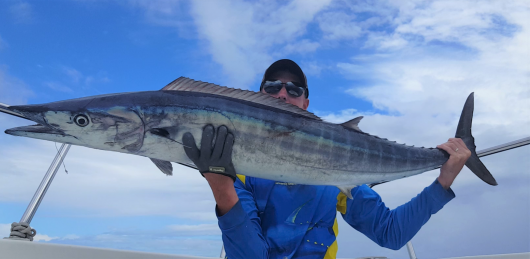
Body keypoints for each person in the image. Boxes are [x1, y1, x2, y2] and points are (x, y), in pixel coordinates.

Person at [181, 59, 471, 259]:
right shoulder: (238, 170)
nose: (282, 94)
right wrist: (221, 186)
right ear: (257, 97)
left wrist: (443, 181)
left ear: (306, 104)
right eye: (272, 87)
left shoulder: (336, 172)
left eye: (293, 90)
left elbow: (391, 234)